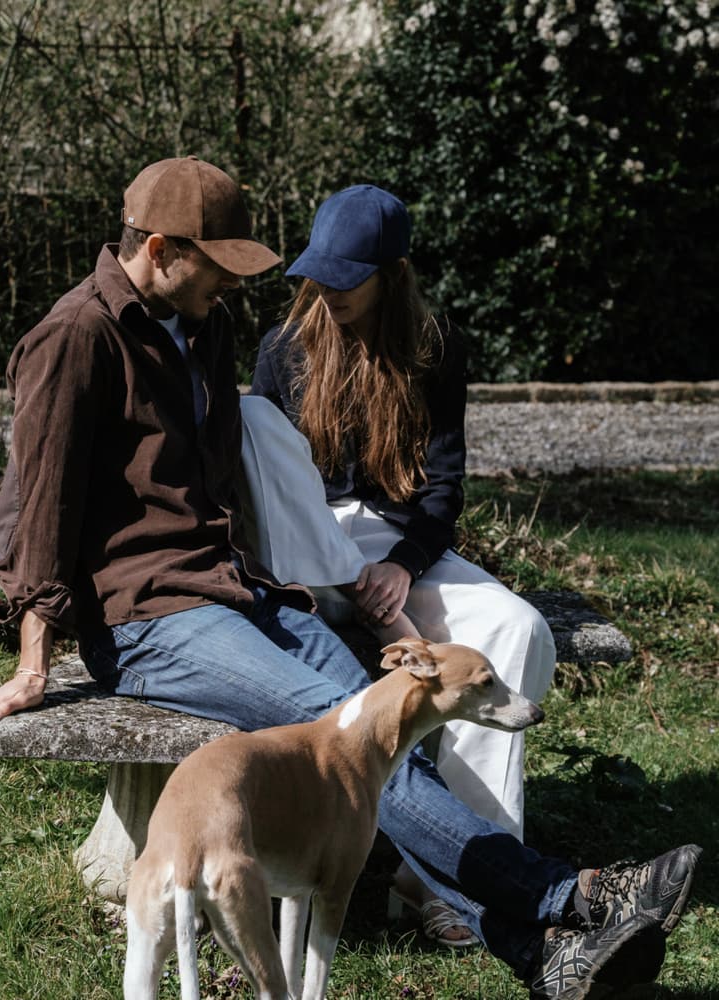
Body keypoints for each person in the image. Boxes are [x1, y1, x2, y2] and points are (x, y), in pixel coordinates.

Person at [0, 156, 700, 999]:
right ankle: (566, 901)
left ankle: (545, 953)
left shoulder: (203, 325)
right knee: (342, 733)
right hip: (150, 618)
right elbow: (38, 508)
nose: (233, 287)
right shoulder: (74, 338)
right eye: (219, 266)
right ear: (161, 250)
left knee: (373, 734)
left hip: (239, 589)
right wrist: (32, 662)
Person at [246, 184, 555, 944]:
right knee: (255, 426)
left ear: (394, 274)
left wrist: (405, 566)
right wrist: (309, 566)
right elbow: (263, 480)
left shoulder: (435, 346)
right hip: (303, 548)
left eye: (349, 278)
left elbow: (443, 486)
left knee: (519, 629)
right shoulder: (284, 347)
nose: (330, 292)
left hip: (394, 548)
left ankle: (451, 877)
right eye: (320, 274)